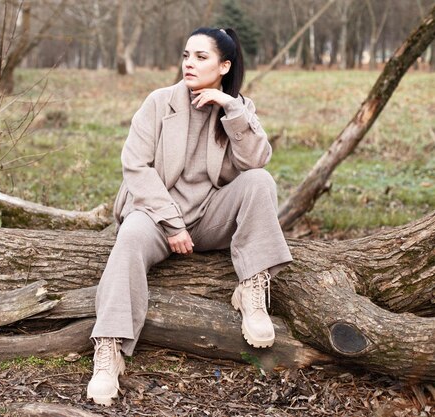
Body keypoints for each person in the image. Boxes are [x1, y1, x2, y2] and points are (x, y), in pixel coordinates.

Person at [86, 27, 293, 406]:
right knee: (129, 236)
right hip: (154, 216)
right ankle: (109, 348)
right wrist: (171, 223)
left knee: (261, 182)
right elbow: (135, 167)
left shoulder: (239, 108)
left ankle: (251, 288)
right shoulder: (159, 102)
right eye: (186, 55)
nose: (189, 64)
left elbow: (255, 161)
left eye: (201, 57)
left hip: (209, 218)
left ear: (224, 66)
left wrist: (231, 110)